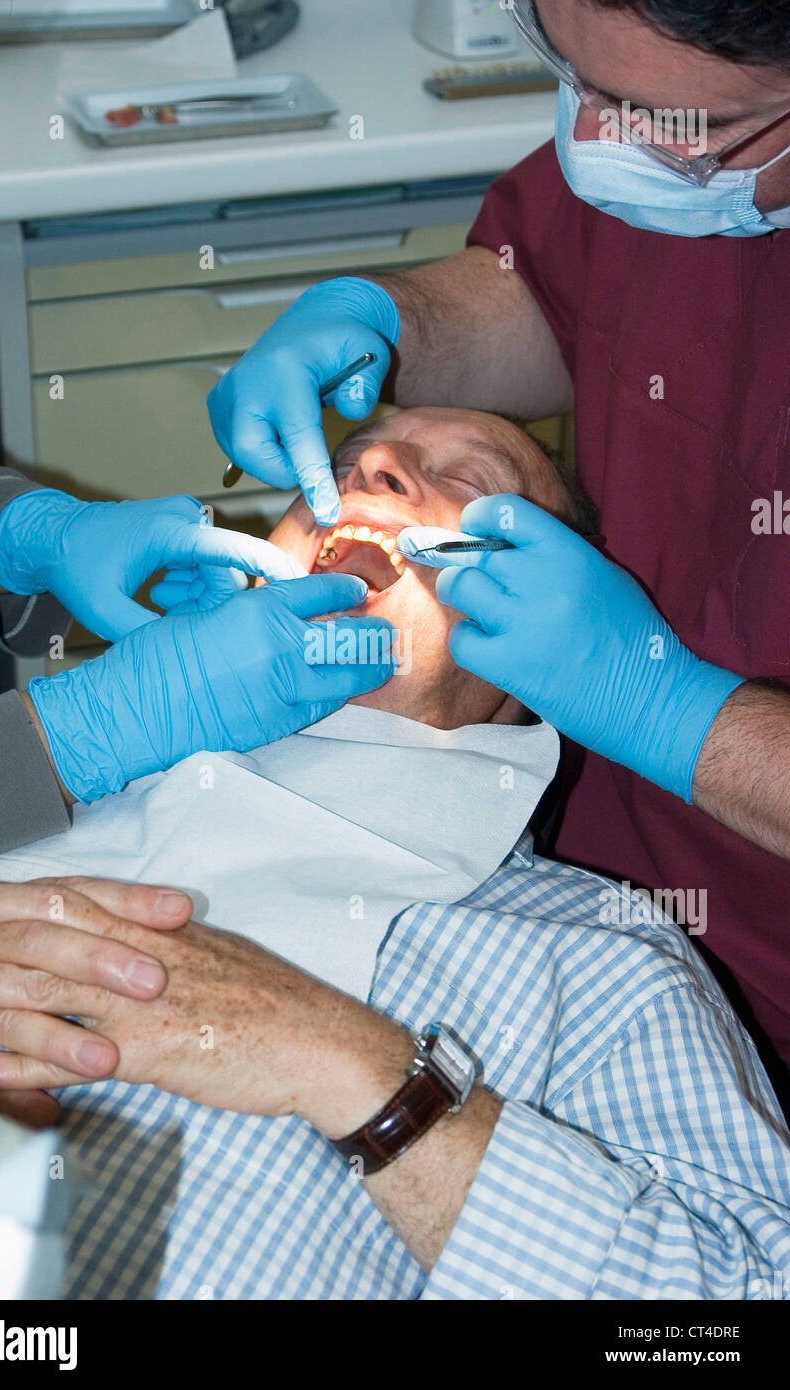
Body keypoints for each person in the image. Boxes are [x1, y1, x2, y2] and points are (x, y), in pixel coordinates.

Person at [0, 409, 788, 1301]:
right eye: (341, 464)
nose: (372, 463)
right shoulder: (31, 764)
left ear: (536, 664)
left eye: (470, 482)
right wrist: (58, 701)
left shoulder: (594, 960)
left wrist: (357, 1070)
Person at [206, 0, 790, 1076]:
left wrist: (673, 713)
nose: (601, 141)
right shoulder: (115, 768)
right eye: (575, 76)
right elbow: (564, 288)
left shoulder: (608, 994)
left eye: (681, 128)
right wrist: (382, 318)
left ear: (520, 703)